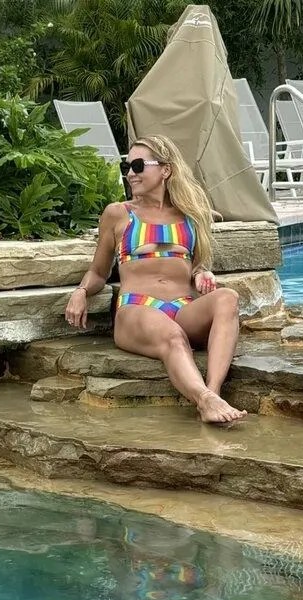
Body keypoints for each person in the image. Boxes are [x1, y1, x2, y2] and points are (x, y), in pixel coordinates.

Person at [64, 135, 246, 425]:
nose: (130, 174)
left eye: (138, 166)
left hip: (182, 308)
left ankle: (213, 394)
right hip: (137, 309)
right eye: (127, 167)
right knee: (172, 336)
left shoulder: (191, 215)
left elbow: (197, 266)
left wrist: (202, 274)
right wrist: (81, 291)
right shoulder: (119, 214)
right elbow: (98, 272)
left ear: (165, 170)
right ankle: (205, 399)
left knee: (228, 298)